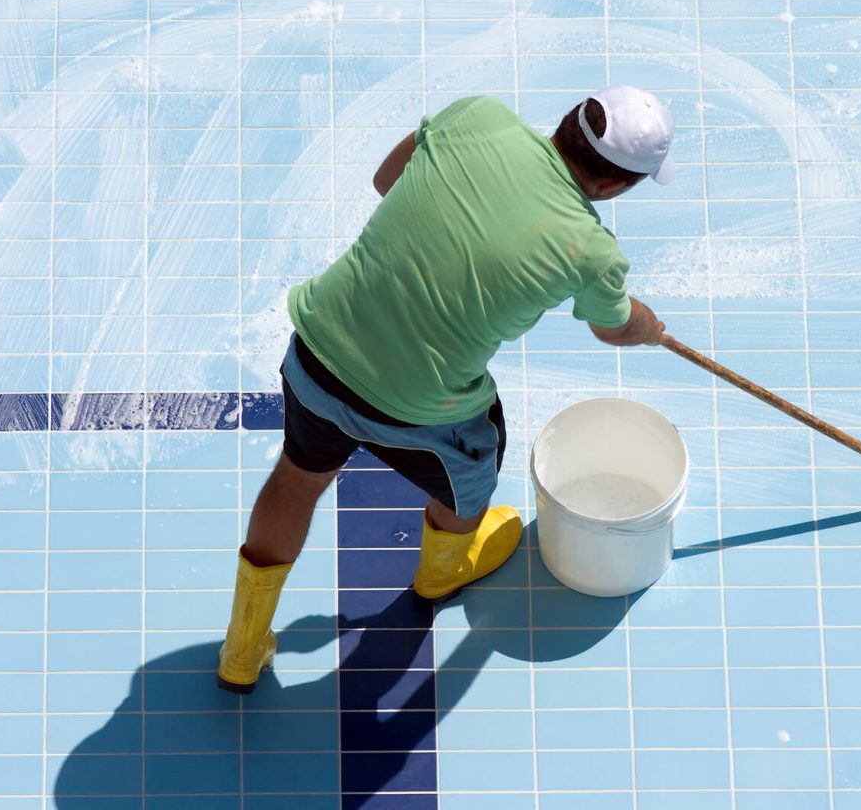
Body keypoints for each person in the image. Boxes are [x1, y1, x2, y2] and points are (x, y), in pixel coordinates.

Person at [216, 85, 675, 693]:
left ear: (571, 120)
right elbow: (614, 326)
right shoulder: (591, 253)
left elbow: (387, 180)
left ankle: (241, 648)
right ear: (615, 187)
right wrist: (649, 327)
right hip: (417, 408)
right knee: (478, 463)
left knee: (298, 477)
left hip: (319, 349)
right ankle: (442, 572)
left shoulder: (477, 115)